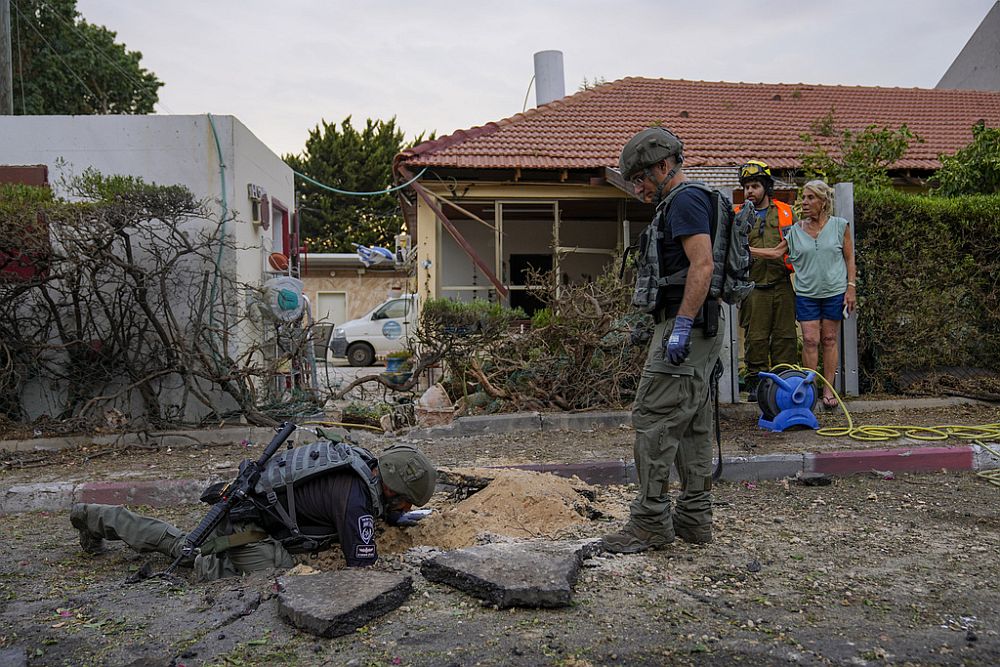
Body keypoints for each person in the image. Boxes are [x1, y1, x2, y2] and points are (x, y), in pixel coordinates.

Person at [604, 127, 725, 553]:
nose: (637, 188)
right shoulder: (682, 201)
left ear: (663, 165)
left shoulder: (686, 200)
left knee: (653, 417)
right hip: (693, 325)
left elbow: (703, 265)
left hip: (686, 324)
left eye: (641, 178)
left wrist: (681, 326)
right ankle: (693, 520)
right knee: (691, 423)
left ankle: (650, 522)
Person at [70, 441, 437, 580]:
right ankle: (95, 516)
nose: (404, 507)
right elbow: (363, 567)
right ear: (392, 486)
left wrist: (398, 516)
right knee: (188, 550)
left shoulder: (361, 463)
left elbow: (382, 512)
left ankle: (94, 515)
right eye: (405, 500)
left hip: (251, 510)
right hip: (244, 528)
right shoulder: (355, 499)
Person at [755, 180, 857, 408]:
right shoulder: (795, 230)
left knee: (829, 339)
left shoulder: (840, 226)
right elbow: (775, 253)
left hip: (834, 292)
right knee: (811, 340)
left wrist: (851, 287)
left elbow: (850, 258)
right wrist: (745, 249)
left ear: (823, 202)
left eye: (811, 198)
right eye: (804, 198)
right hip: (806, 294)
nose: (805, 202)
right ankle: (809, 390)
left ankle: (829, 390)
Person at [736, 160, 798, 401]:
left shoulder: (785, 211)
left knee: (785, 337)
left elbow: (791, 245)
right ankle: (757, 387)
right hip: (753, 286)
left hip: (782, 283)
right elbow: (736, 250)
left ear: (766, 187)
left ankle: (787, 386)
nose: (750, 191)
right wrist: (767, 252)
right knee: (756, 338)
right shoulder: (737, 214)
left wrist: (754, 251)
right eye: (747, 186)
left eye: (755, 186)